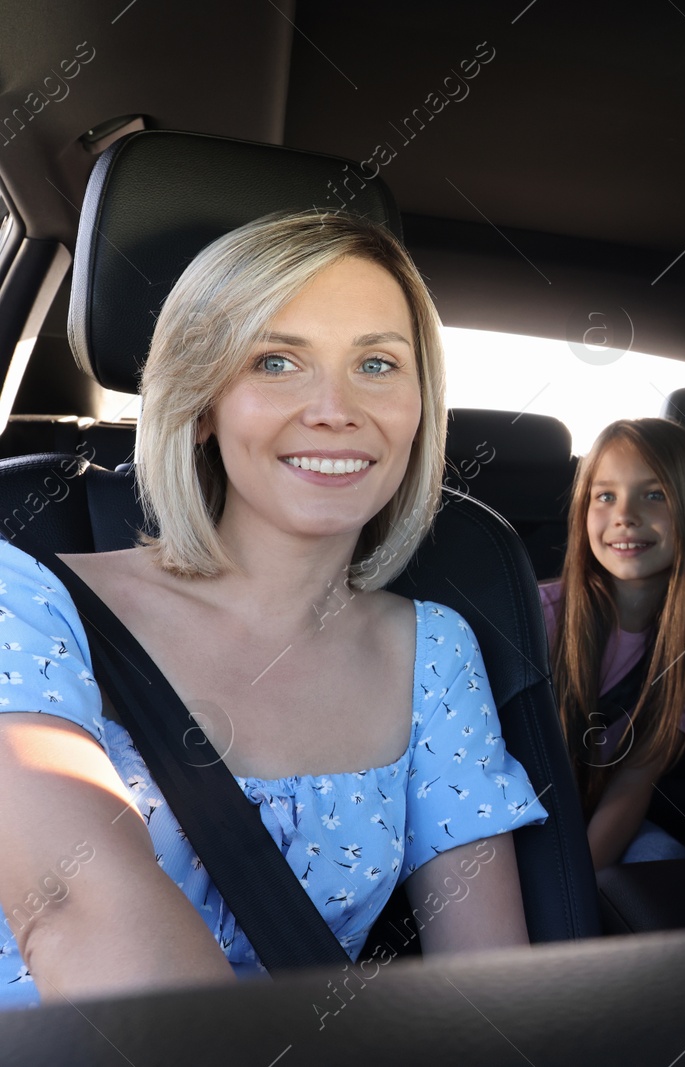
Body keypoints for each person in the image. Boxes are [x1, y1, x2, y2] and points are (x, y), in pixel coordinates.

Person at [0, 211, 547, 1009]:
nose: (335, 408)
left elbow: (492, 986)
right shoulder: (26, 602)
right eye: (278, 359)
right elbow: (76, 912)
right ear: (202, 398)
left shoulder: (434, 652)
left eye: (378, 364)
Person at [541, 418, 685, 868]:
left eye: (655, 495)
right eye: (605, 496)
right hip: (511, 822)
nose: (625, 515)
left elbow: (633, 783)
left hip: (598, 823)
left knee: (664, 864)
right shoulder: (538, 614)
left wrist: (578, 886)